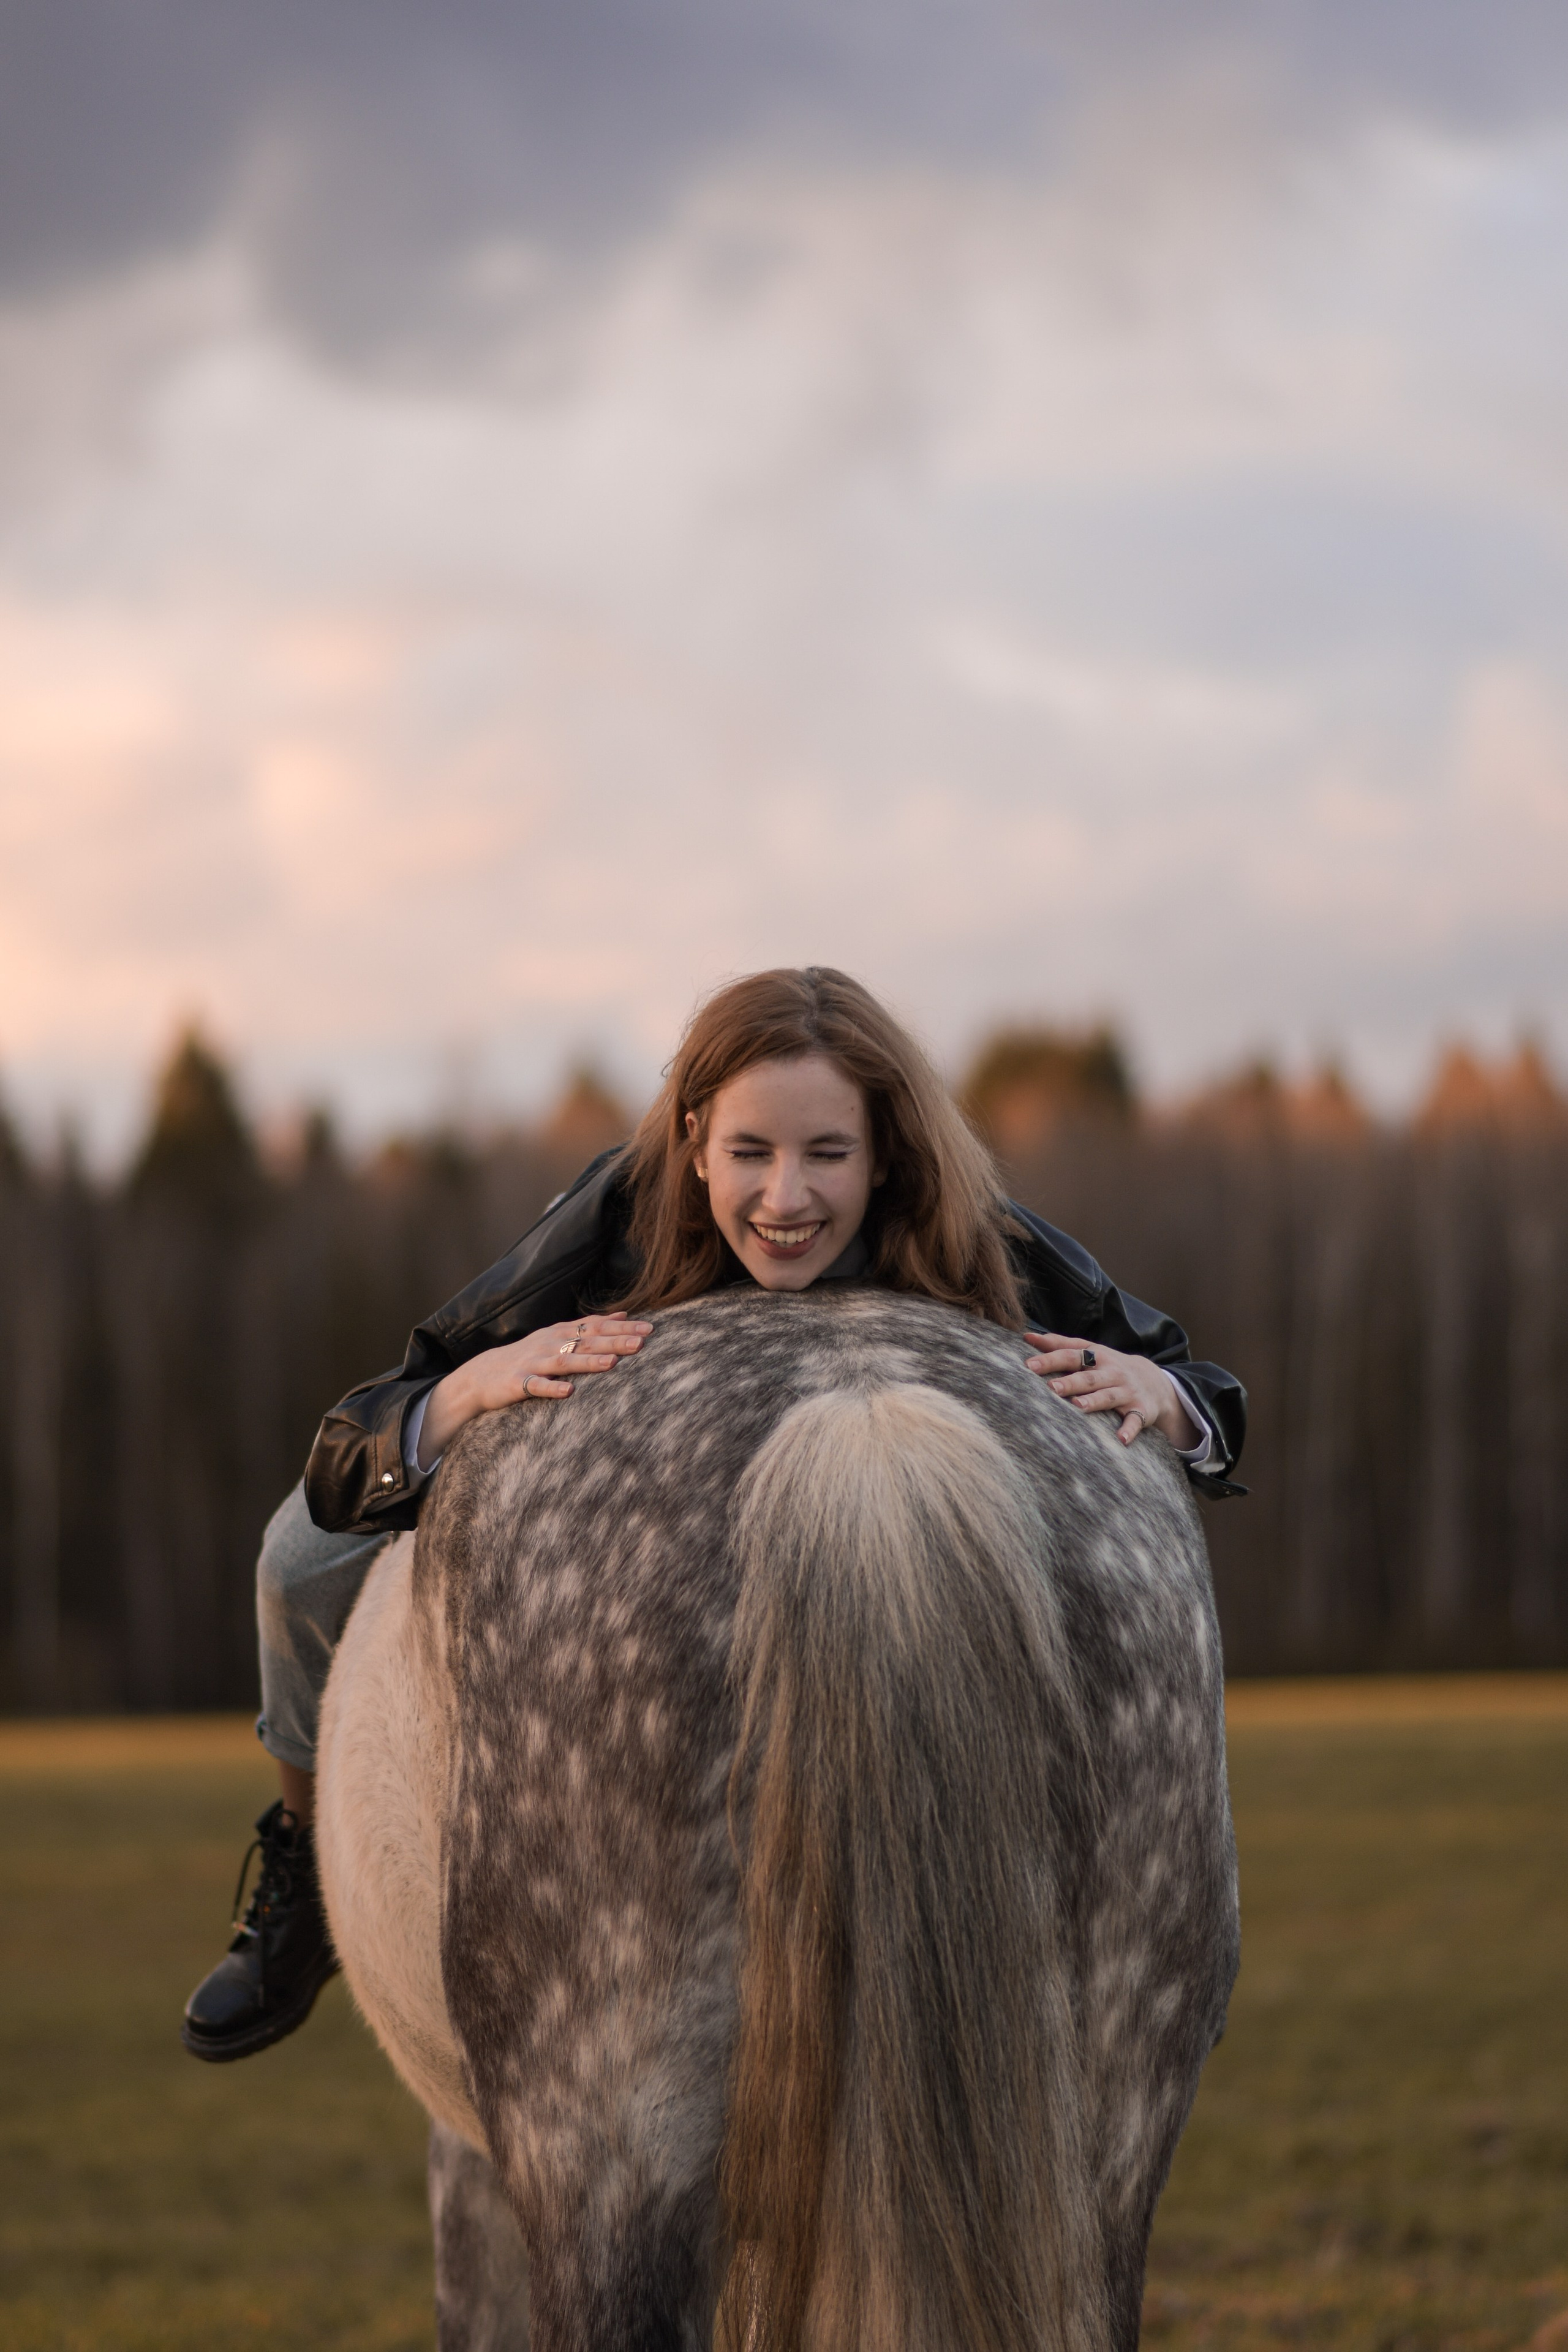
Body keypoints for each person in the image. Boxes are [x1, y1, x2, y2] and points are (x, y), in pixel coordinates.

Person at [181, 967, 1246, 2062]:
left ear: (884, 1152)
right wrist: (464, 1391)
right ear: (694, 1141)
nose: (786, 1199)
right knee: (293, 1554)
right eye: (751, 1153)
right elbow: (361, 1439)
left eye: (827, 1154)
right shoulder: (614, 1217)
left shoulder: (978, 1228)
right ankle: (305, 1873)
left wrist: (1172, 1400)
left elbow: (1205, 1391)